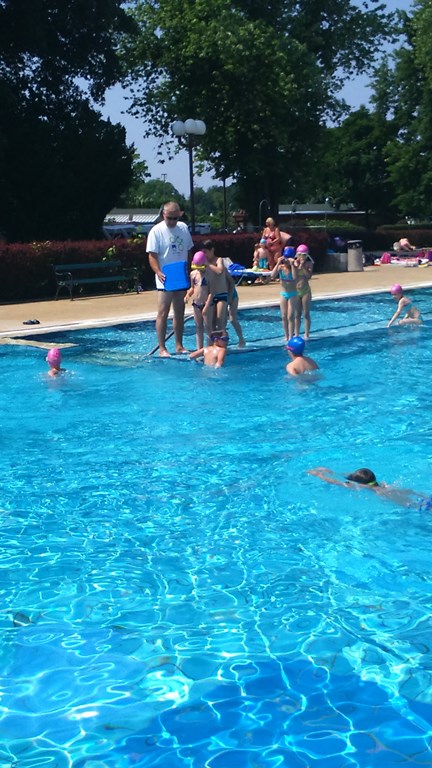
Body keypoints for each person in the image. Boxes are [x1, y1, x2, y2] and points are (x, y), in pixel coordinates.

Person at [146, 201, 194, 357]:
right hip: (165, 276)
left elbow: (188, 250)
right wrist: (158, 272)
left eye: (175, 218)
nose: (172, 221)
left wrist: (188, 270)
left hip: (180, 274)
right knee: (163, 312)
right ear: (163, 215)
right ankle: (162, 348)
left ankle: (179, 345)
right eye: (169, 218)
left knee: (179, 311)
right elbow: (152, 255)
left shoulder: (183, 228)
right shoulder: (156, 231)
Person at [308, 466, 427, 508]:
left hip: (412, 506)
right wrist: (333, 472)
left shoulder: (367, 488)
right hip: (419, 498)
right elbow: (350, 477)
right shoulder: (383, 485)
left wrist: (319, 475)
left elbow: (336, 482)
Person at [271, 246, 300, 340]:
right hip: (283, 294)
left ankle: (291, 336)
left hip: (293, 294)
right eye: (285, 258)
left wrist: (292, 265)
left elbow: (295, 278)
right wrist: (278, 263)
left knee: (290, 316)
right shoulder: (281, 267)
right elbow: (272, 275)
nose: (286, 261)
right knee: (284, 316)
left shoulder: (295, 267)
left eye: (288, 259)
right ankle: (286, 336)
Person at [201, 239, 230, 333]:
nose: (204, 255)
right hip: (211, 296)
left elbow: (219, 271)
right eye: (202, 252)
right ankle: (215, 341)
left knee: (220, 322)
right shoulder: (204, 264)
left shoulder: (218, 260)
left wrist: (208, 264)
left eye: (205, 252)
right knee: (211, 324)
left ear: (212, 250)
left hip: (221, 295)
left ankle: (223, 341)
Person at [184, 250, 211, 349]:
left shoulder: (209, 274)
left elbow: (212, 291)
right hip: (196, 304)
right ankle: (199, 348)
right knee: (199, 327)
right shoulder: (193, 274)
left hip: (207, 304)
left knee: (208, 327)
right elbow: (192, 288)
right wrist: (187, 295)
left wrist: (207, 304)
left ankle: (209, 347)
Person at [295, 244, 314, 339]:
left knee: (306, 314)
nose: (302, 257)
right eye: (300, 255)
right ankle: (296, 334)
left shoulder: (309, 264)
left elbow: (308, 276)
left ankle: (307, 334)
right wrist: (297, 265)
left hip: (305, 291)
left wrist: (303, 266)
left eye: (304, 255)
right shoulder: (294, 263)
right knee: (297, 314)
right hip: (296, 291)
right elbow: (293, 276)